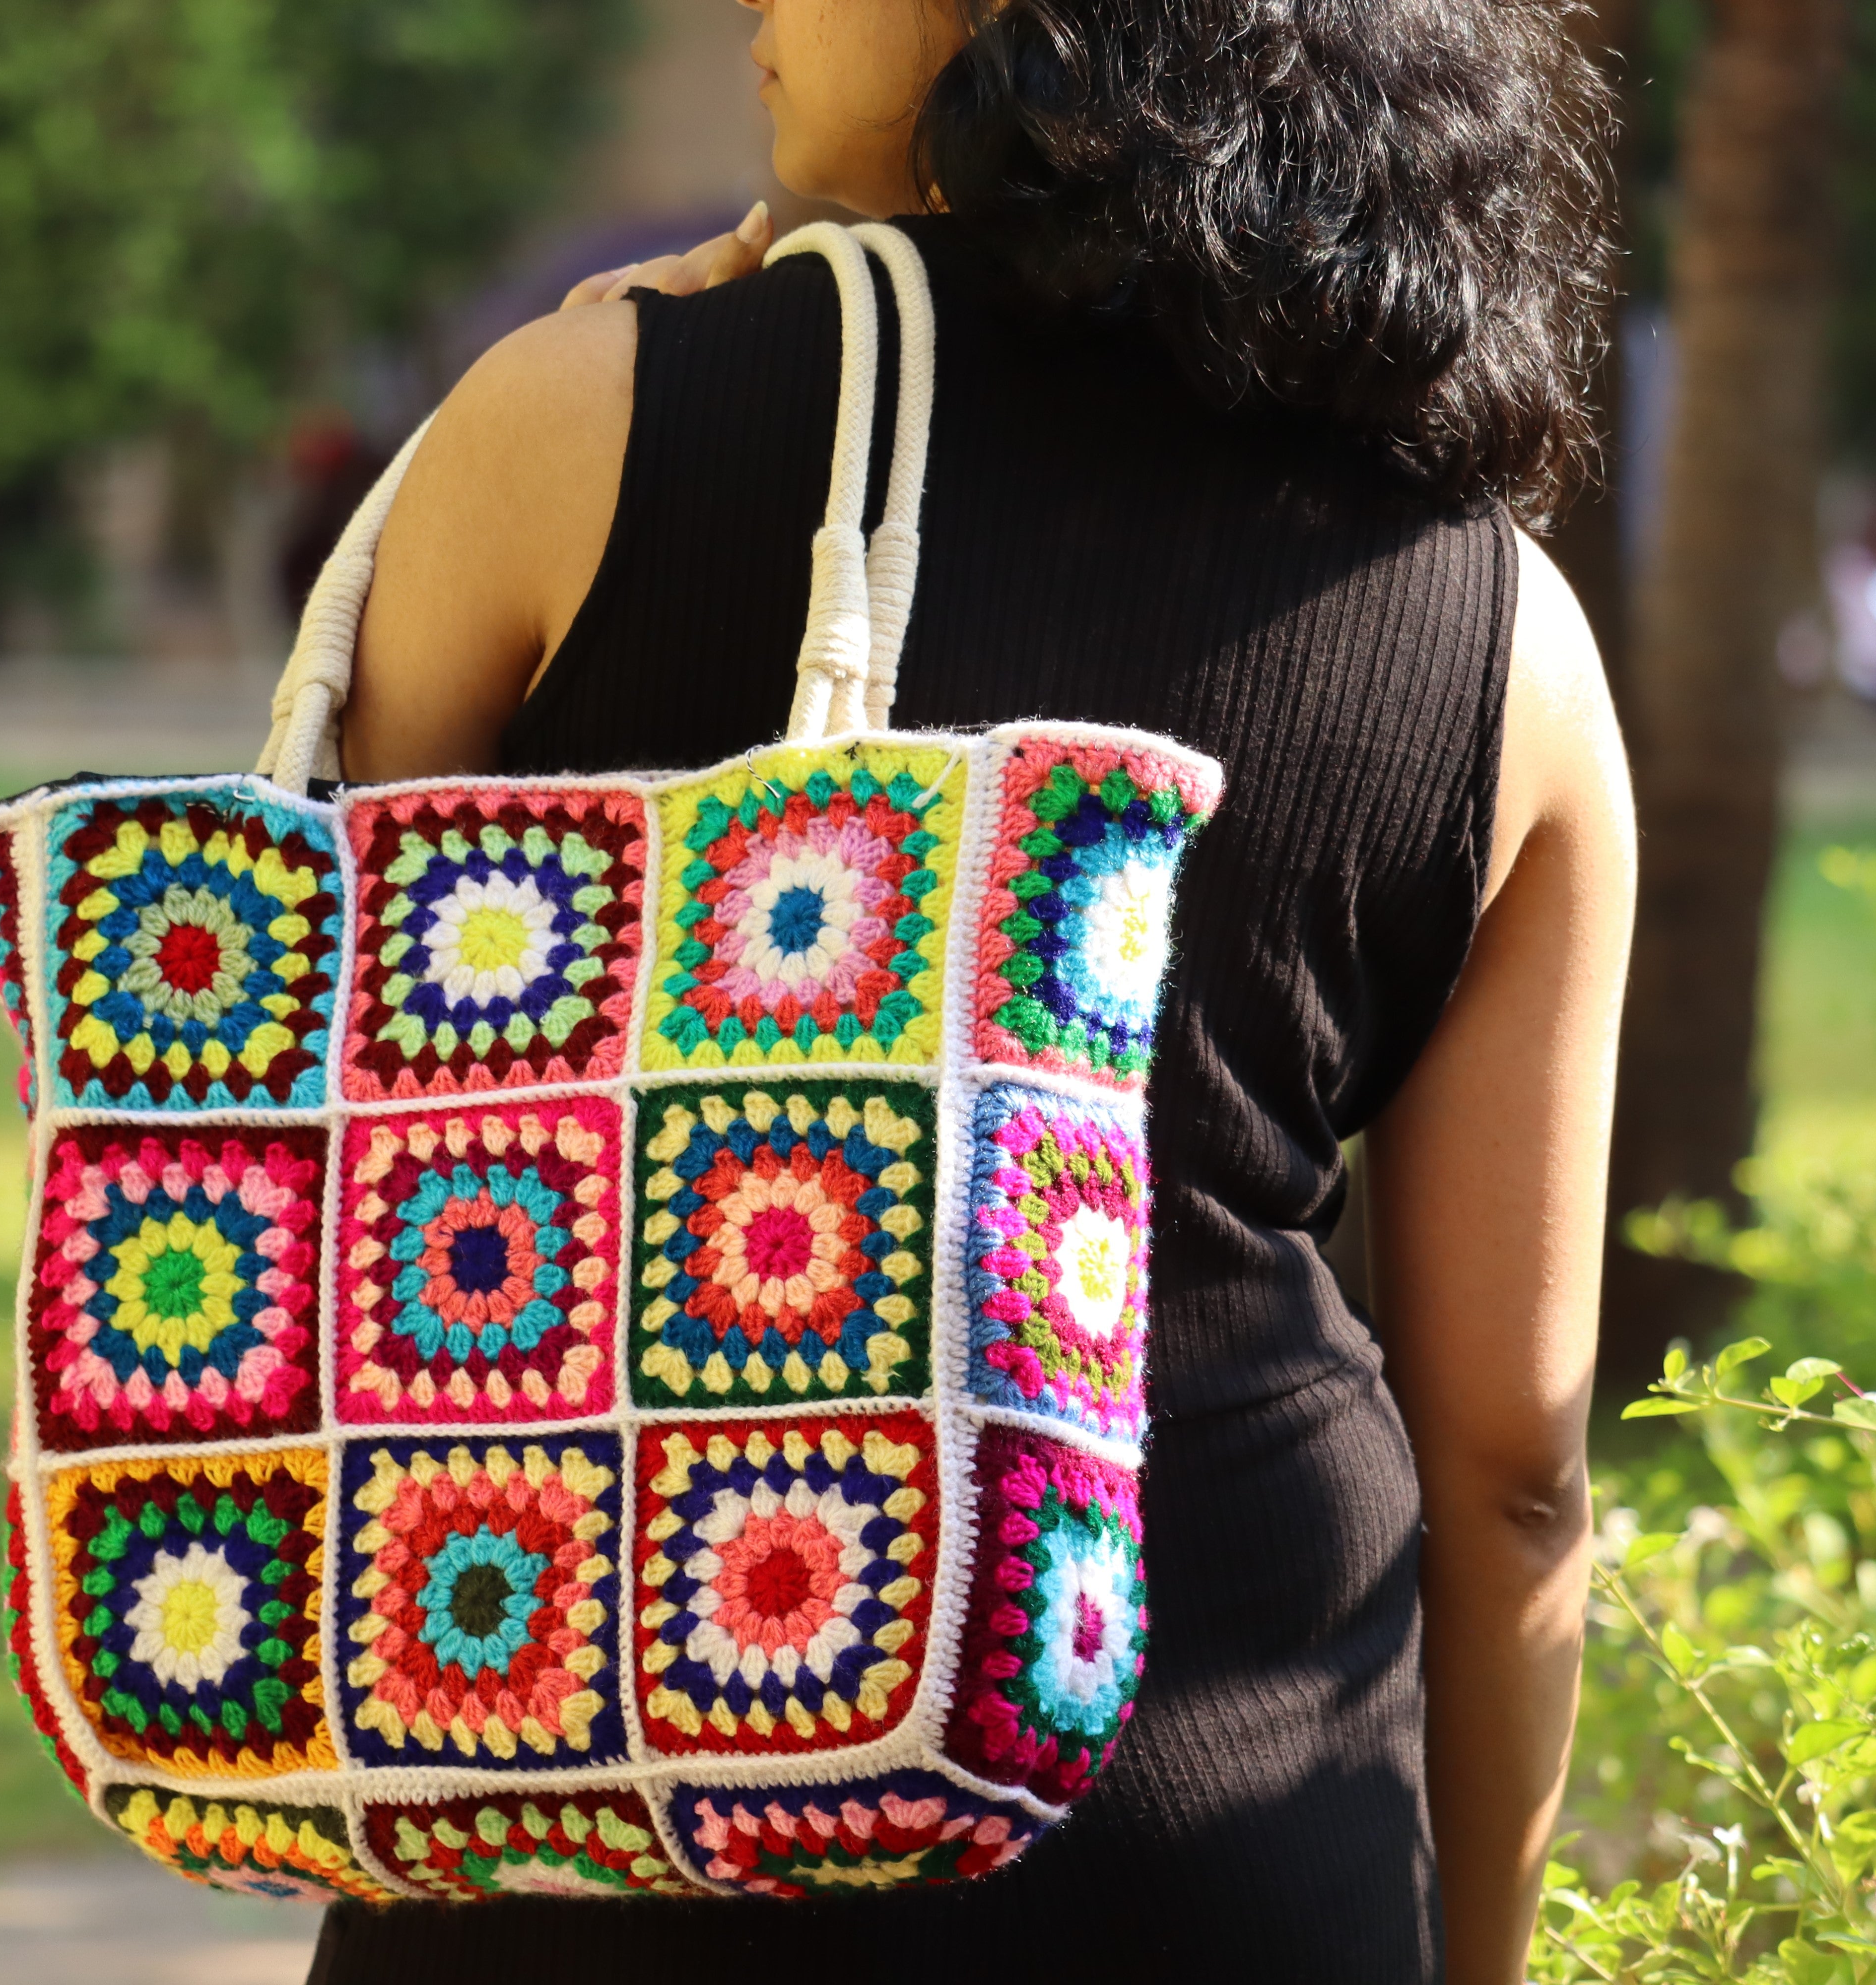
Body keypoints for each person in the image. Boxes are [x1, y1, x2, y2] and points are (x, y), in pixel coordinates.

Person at [316, 0, 1630, 1977]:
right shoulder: (1508, 629)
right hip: (1231, 1823)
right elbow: (1516, 1475)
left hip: (586, 1793)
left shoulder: (575, 424)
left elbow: (331, 1094)